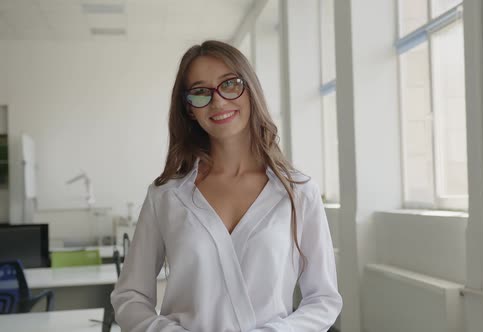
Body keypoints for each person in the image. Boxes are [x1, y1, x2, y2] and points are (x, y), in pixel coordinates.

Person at [110, 40, 342, 332]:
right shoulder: (166, 196)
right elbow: (129, 296)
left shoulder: (298, 192)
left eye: (229, 84)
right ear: (189, 108)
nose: (218, 101)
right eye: (200, 92)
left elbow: (323, 299)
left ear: (251, 91)